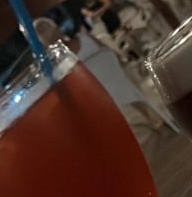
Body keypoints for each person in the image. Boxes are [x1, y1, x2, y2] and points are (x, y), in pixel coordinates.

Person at [33, 18, 163, 140]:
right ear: (58, 29)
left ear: (45, 45)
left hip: (100, 100)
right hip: (120, 83)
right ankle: (152, 117)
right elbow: (114, 55)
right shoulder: (85, 38)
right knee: (123, 80)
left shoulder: (60, 65)